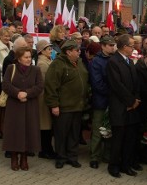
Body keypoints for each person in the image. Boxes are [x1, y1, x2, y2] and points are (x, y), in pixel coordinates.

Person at [44, 40, 89, 169]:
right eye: (77, 50)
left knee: (74, 133)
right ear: (68, 52)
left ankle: (72, 157)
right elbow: (51, 85)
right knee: (61, 133)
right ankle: (61, 157)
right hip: (63, 107)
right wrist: (54, 105)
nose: (79, 52)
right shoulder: (58, 64)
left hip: (78, 105)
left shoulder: (79, 63)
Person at [2, 47, 44, 171]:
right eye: (26, 57)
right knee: (14, 131)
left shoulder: (36, 70)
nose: (28, 59)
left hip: (30, 105)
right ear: (19, 58)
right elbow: (6, 85)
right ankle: (14, 157)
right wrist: (17, 93)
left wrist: (26, 93)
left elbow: (40, 86)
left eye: (30, 57)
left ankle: (24, 158)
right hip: (14, 105)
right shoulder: (11, 68)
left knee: (28, 131)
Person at [106, 35, 141, 178]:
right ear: (124, 46)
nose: (133, 48)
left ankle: (126, 165)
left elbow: (136, 82)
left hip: (132, 106)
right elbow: (117, 85)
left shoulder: (130, 62)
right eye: (131, 45)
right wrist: (130, 102)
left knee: (129, 138)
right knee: (118, 138)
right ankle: (113, 165)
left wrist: (136, 99)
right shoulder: (113, 62)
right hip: (120, 106)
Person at [88, 35, 115, 169]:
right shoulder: (96, 62)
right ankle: (94, 157)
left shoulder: (114, 59)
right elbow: (97, 83)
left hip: (112, 101)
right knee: (98, 130)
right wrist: (112, 92)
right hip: (101, 100)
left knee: (109, 129)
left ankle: (107, 155)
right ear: (103, 46)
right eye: (110, 45)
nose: (112, 47)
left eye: (113, 45)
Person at [35, 40, 57, 159]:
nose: (51, 51)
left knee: (47, 125)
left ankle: (47, 149)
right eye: (48, 49)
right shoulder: (42, 64)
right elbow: (46, 83)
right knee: (45, 125)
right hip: (44, 98)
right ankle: (45, 150)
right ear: (42, 51)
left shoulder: (47, 61)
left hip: (47, 96)